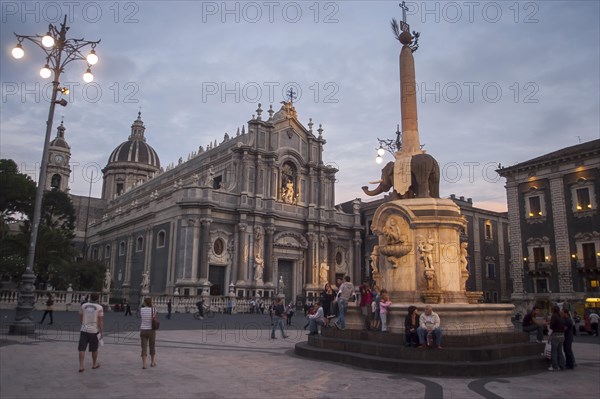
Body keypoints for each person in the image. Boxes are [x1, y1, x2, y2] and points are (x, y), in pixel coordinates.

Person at [78, 292, 103, 372]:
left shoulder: (83, 305)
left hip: (84, 329)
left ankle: (81, 366)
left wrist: (84, 324)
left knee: (82, 348)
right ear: (98, 298)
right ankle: (94, 364)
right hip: (93, 330)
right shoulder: (99, 307)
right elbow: (100, 320)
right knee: (94, 349)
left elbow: (81, 317)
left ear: (90, 297)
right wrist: (101, 331)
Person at [139, 297, 157, 369]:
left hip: (143, 329)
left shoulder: (141, 309)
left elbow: (142, 317)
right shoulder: (154, 309)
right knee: (152, 346)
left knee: (144, 347)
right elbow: (154, 318)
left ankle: (144, 364)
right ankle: (152, 362)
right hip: (151, 330)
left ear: (145, 302)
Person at [548, 305, 566, 371]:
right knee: (560, 351)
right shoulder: (560, 316)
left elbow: (552, 326)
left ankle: (554, 366)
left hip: (556, 335)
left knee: (554, 351)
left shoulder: (554, 316)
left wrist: (549, 335)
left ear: (553, 310)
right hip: (562, 335)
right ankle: (562, 365)